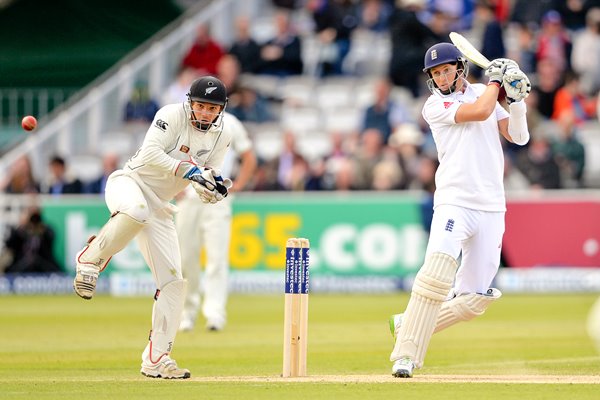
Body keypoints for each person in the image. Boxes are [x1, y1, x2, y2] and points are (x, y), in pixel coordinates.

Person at [72, 76, 234, 380]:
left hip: (160, 206)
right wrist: (189, 170)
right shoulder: (170, 115)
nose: (203, 113)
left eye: (211, 108)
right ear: (190, 103)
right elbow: (148, 154)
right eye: (199, 105)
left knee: (174, 282)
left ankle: (157, 359)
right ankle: (90, 258)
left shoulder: (222, 135)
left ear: (220, 109)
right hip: (129, 183)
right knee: (136, 210)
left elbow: (208, 175)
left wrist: (211, 190)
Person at [388, 43, 531, 378]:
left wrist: (518, 100)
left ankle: (407, 324)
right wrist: (498, 82)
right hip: (455, 200)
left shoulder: (483, 92)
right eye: (435, 73)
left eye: (446, 70)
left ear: (460, 68)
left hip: (492, 205)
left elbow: (519, 137)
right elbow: (480, 112)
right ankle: (405, 356)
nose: (440, 77)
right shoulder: (434, 106)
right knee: (437, 271)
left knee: (474, 299)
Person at [176, 111, 257, 332]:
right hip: (187, 199)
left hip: (218, 198)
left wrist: (237, 185)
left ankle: (215, 314)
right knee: (185, 258)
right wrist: (173, 188)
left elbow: (249, 156)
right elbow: (169, 156)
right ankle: (186, 313)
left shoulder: (230, 121)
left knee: (217, 258)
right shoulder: (184, 121)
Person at [3, 207, 61, 275]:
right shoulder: (20, 231)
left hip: (43, 266)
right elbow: (9, 245)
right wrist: (21, 229)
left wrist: (41, 230)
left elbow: (50, 239)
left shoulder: (46, 229)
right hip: (21, 267)